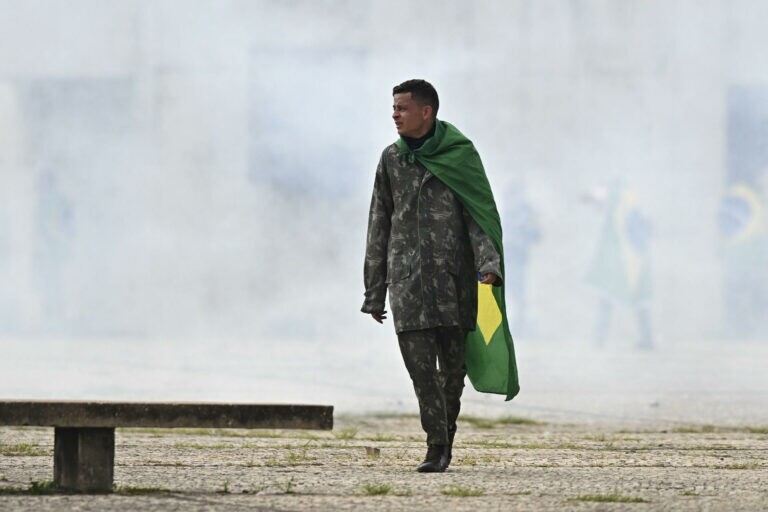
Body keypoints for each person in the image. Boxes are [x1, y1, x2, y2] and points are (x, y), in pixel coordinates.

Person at [361, 79, 509, 473]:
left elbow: (479, 216)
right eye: (394, 108)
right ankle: (436, 446)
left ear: (426, 112)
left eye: (402, 108)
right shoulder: (392, 160)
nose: (395, 115)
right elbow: (379, 223)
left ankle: (445, 434)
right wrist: (374, 290)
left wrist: (489, 264)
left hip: (452, 283)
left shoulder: (460, 155)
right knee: (422, 372)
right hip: (407, 283)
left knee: (453, 373)